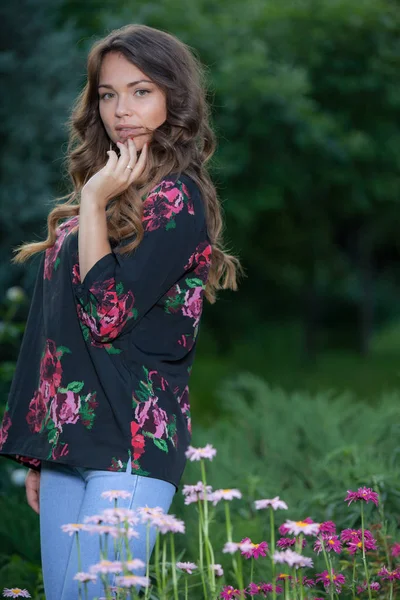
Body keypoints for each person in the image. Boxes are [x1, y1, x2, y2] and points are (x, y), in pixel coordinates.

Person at [0, 23, 240, 599]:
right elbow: (55, 332)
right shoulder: (106, 194)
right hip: (71, 444)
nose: (121, 110)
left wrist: (90, 200)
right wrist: (42, 447)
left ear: (172, 99)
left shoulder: (177, 200)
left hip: (130, 447)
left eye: (140, 91)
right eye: (108, 94)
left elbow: (108, 315)